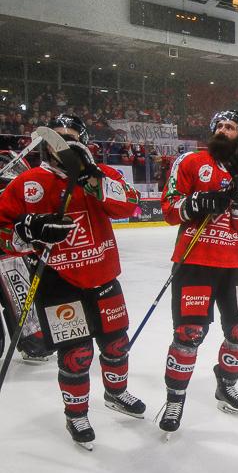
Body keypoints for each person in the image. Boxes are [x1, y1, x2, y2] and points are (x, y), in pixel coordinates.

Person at [0, 115, 145, 450]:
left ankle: (116, 393)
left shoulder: (100, 175)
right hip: (58, 282)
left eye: (71, 137)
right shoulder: (27, 183)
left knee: (116, 344)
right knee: (76, 354)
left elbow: (131, 205)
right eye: (57, 137)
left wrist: (92, 178)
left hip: (103, 276)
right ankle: (76, 414)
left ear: (83, 142)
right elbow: (2, 232)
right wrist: (27, 230)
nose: (63, 143)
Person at [156, 110, 238, 435]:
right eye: (218, 125)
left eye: (230, 127)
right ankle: (175, 400)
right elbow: (169, 209)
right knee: (189, 333)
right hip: (195, 262)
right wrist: (198, 203)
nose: (222, 130)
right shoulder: (190, 162)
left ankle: (226, 385)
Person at [0, 150, 55, 363]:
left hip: (8, 251)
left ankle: (35, 344)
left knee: (23, 298)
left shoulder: (10, 160)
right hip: (9, 251)